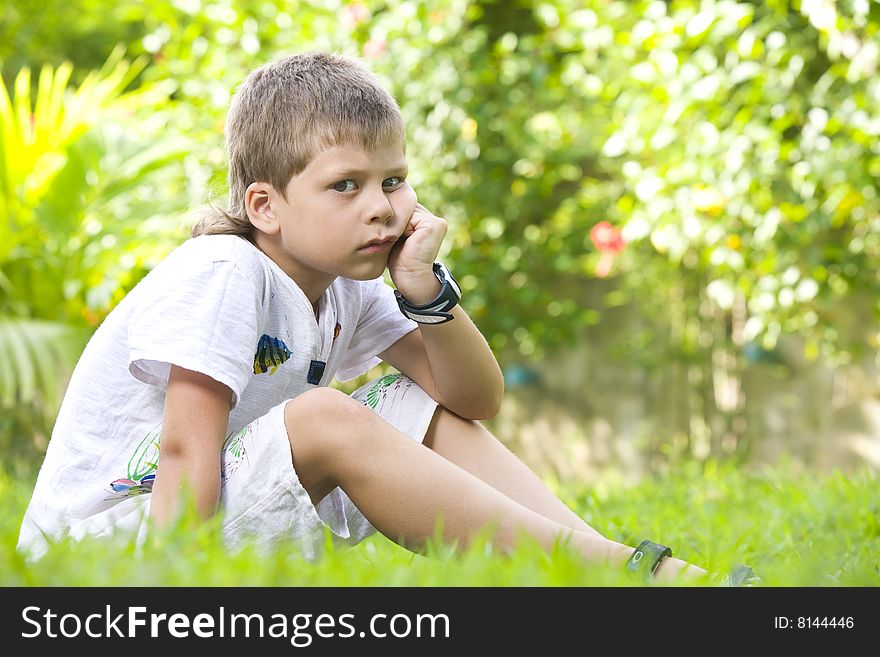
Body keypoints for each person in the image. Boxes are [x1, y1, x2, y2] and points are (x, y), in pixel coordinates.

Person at [17, 51, 711, 584]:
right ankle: (624, 576)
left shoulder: (355, 281)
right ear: (265, 207)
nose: (380, 206)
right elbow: (182, 452)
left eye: (392, 180)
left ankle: (601, 569)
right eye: (344, 185)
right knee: (325, 414)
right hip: (119, 558)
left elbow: (471, 401)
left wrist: (425, 290)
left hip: (205, 517)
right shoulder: (225, 272)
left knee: (406, 398)